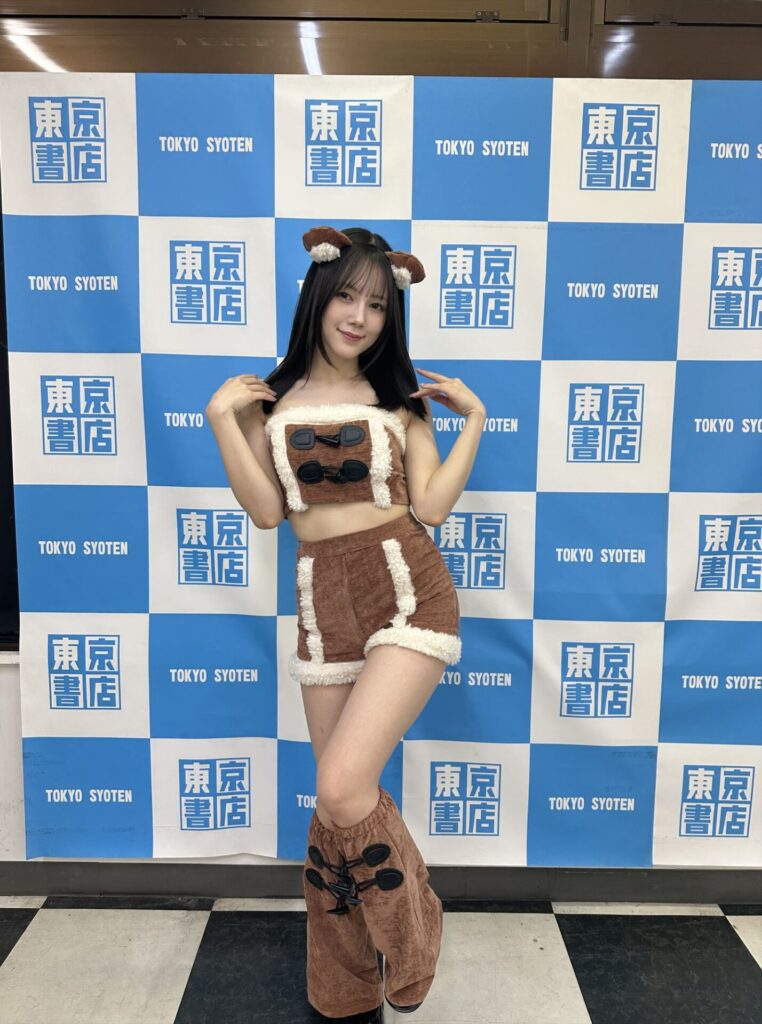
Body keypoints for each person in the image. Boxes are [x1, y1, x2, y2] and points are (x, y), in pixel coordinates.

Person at [205, 225, 487, 1022]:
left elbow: (432, 507)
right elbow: (268, 512)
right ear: (318, 298)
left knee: (342, 784)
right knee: (334, 810)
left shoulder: (398, 403)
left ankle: (415, 925)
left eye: (378, 305)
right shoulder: (268, 402)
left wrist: (476, 420)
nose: (360, 317)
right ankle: (343, 985)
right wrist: (223, 419)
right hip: (319, 599)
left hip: (406, 588)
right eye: (348, 298)